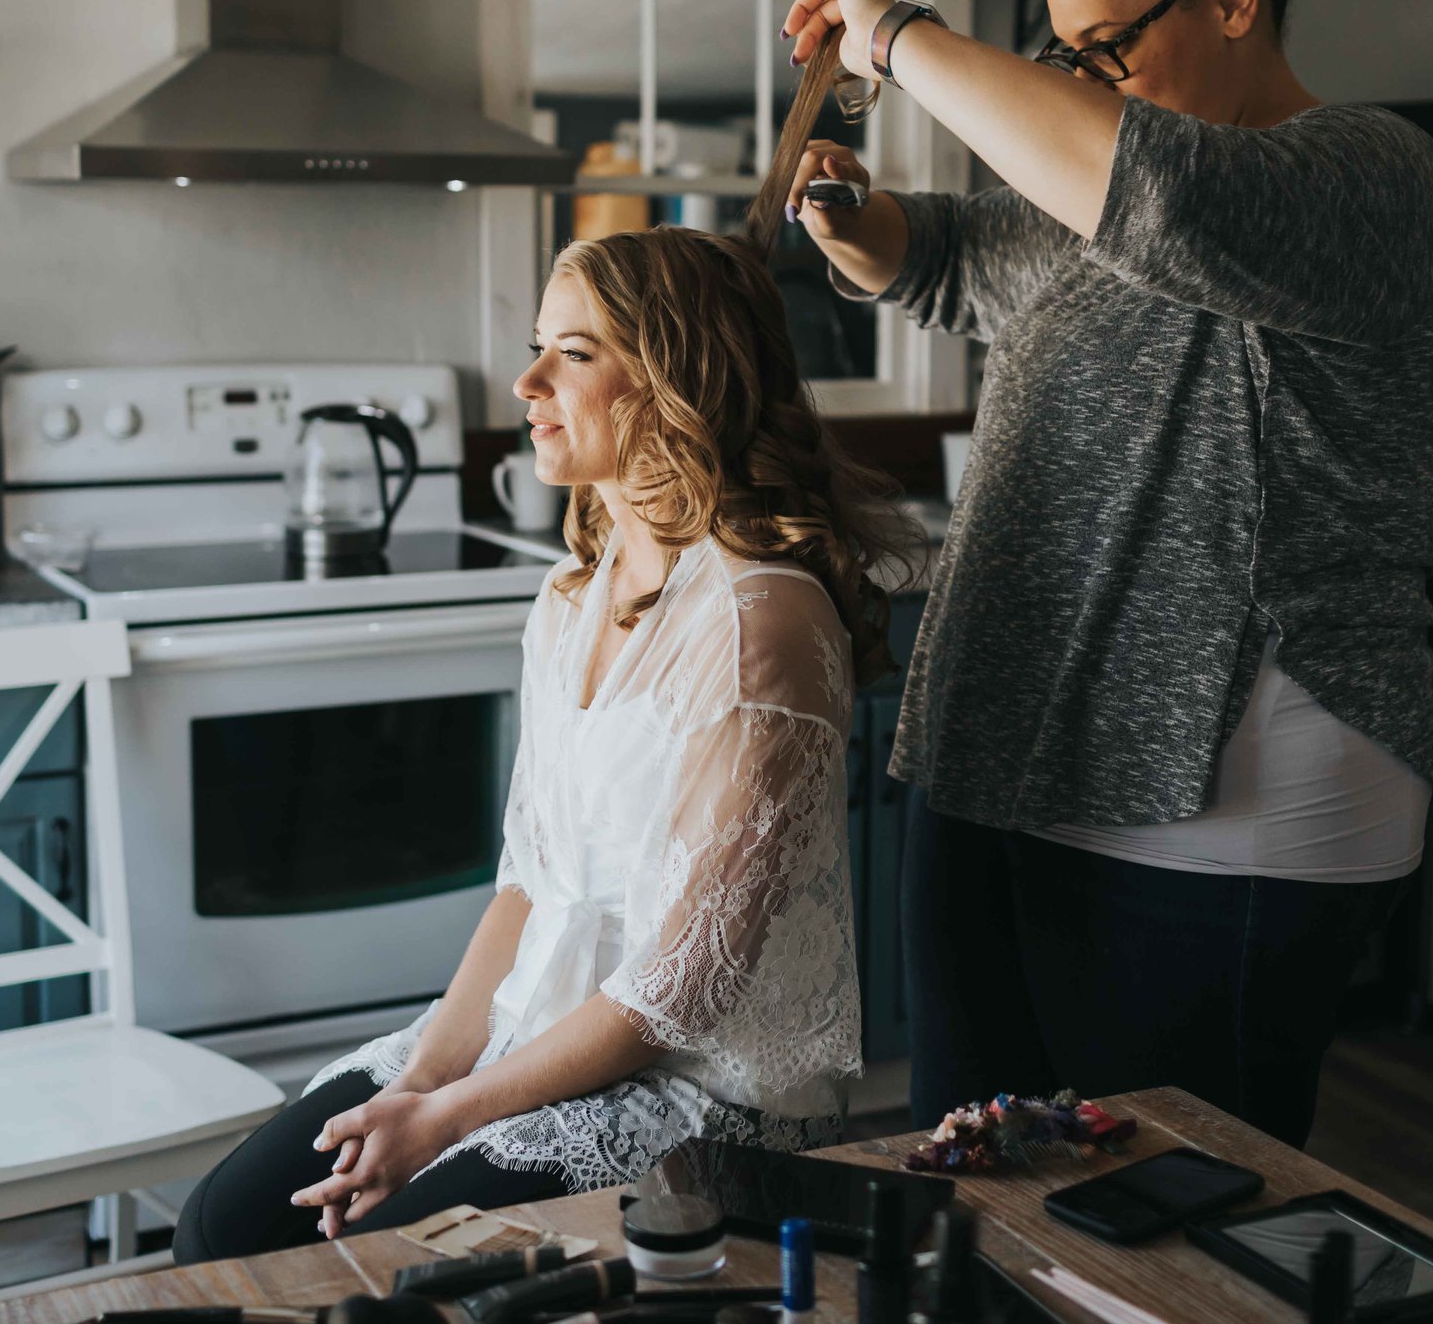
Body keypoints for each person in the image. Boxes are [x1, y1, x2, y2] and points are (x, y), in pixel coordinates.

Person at [773, 0, 1433, 1146]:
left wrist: (899, 35)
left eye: (1107, 48)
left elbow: (1162, 198)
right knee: (976, 1180)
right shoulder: (1095, 184)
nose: (1086, 81)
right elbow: (961, 255)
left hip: (1225, 801)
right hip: (1005, 753)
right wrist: (859, 226)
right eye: (1068, 57)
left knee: (1160, 1212)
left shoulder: (1373, 173)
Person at [173, 226, 913, 1260]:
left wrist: (445, 1118)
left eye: (573, 352)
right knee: (220, 1226)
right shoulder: (569, 598)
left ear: (677, 380)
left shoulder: (758, 622)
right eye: (538, 347)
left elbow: (680, 993)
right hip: (538, 1024)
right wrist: (422, 1081)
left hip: (700, 1090)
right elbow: (527, 886)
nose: (526, 383)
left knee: (393, 1254)